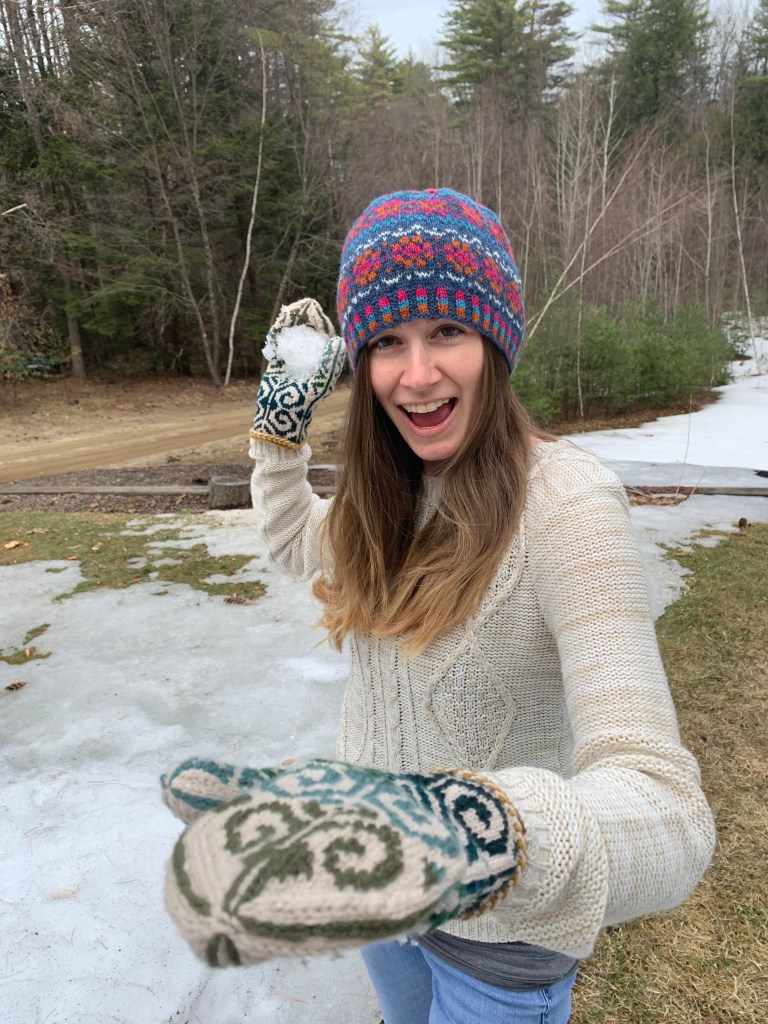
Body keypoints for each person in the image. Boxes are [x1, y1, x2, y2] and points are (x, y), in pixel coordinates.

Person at [161, 189, 716, 1024]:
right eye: (386, 340)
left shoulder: (570, 506)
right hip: (380, 898)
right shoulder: (385, 492)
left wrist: (470, 836)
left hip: (502, 936)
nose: (415, 375)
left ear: (496, 340)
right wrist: (279, 431)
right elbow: (288, 541)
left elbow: (669, 812)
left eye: (446, 331)